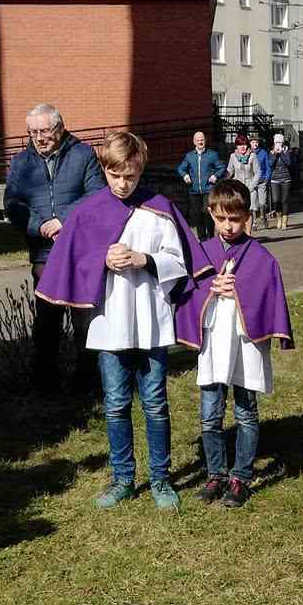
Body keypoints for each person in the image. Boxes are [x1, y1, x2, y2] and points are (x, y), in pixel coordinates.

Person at [36, 132, 205, 510]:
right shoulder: (87, 210)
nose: (123, 183)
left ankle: (160, 479)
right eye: (115, 176)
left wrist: (144, 259)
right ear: (105, 170)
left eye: (130, 175)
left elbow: (181, 263)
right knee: (114, 404)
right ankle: (123, 478)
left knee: (156, 403)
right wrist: (103, 261)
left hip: (150, 320)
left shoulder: (159, 208)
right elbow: (74, 261)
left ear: (140, 170)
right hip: (109, 323)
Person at [174, 179, 294, 508]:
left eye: (236, 219)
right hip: (214, 343)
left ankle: (240, 477)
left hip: (245, 345)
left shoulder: (260, 257)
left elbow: (268, 295)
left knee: (245, 413)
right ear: (211, 213)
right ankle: (216, 474)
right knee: (210, 416)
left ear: (247, 216)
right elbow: (188, 292)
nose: (228, 226)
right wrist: (211, 288)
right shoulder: (203, 253)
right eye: (222, 218)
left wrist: (238, 290)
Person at [4, 103, 106, 393]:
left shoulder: (83, 154)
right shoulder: (21, 162)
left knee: (83, 319)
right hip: (44, 254)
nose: (38, 137)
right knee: (47, 320)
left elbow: (97, 194)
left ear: (60, 128)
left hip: (81, 250)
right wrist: (40, 225)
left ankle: (86, 381)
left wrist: (64, 221)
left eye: (44, 130)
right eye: (32, 132)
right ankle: (45, 381)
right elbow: (12, 204)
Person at [177, 131, 226, 241]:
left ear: (205, 140)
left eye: (202, 139)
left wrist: (215, 176)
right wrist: (185, 175)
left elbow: (222, 167)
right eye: (198, 140)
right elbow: (180, 168)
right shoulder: (189, 156)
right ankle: (202, 239)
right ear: (194, 142)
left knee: (207, 212)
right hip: (194, 190)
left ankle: (211, 236)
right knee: (197, 215)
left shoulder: (212, 155)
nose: (200, 141)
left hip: (208, 189)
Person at [225, 137, 260, 234]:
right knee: (237, 211)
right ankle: (239, 232)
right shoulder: (232, 157)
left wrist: (252, 186)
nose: (243, 147)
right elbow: (229, 171)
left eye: (244, 144)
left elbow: (257, 172)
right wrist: (225, 183)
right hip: (237, 188)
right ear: (236, 146)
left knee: (248, 211)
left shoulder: (253, 156)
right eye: (240, 145)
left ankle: (248, 234)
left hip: (250, 187)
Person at [269, 142, 292, 230]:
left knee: (284, 200)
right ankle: (279, 218)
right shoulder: (271, 153)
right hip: (275, 179)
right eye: (276, 143)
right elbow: (270, 164)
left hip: (286, 179)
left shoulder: (286, 152)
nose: (278, 145)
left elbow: (288, 163)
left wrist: (282, 153)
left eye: (279, 143)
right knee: (276, 200)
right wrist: (275, 153)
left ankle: (284, 222)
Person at [250, 137, 271, 229]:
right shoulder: (248, 153)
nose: (255, 144)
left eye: (256, 142)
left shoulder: (263, 153)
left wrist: (267, 178)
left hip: (262, 180)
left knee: (262, 202)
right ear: (250, 143)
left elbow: (268, 166)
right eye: (253, 142)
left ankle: (264, 217)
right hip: (252, 181)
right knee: (253, 203)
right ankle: (254, 222)